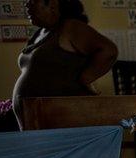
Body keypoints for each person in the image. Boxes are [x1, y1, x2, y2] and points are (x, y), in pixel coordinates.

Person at [12, 0, 117, 128]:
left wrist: (84, 78)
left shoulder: (70, 27)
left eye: (32, 0)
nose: (27, 4)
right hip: (34, 122)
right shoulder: (40, 33)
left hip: (62, 122)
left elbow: (109, 51)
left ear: (53, 4)